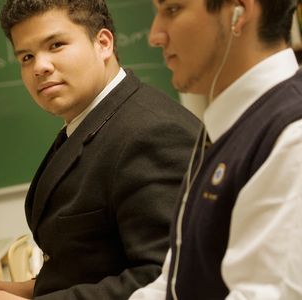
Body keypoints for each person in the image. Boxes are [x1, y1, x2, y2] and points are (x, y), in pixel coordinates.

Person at [0, 0, 200, 299]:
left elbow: (165, 280)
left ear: (103, 43)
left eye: (56, 45)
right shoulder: (94, 121)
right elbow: (96, 264)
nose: (40, 66)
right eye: (26, 57)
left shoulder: (150, 133)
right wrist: (27, 290)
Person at [129, 0, 302, 299]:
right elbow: (175, 280)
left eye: (172, 10)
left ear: (239, 11)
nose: (155, 35)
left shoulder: (291, 136)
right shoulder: (234, 123)